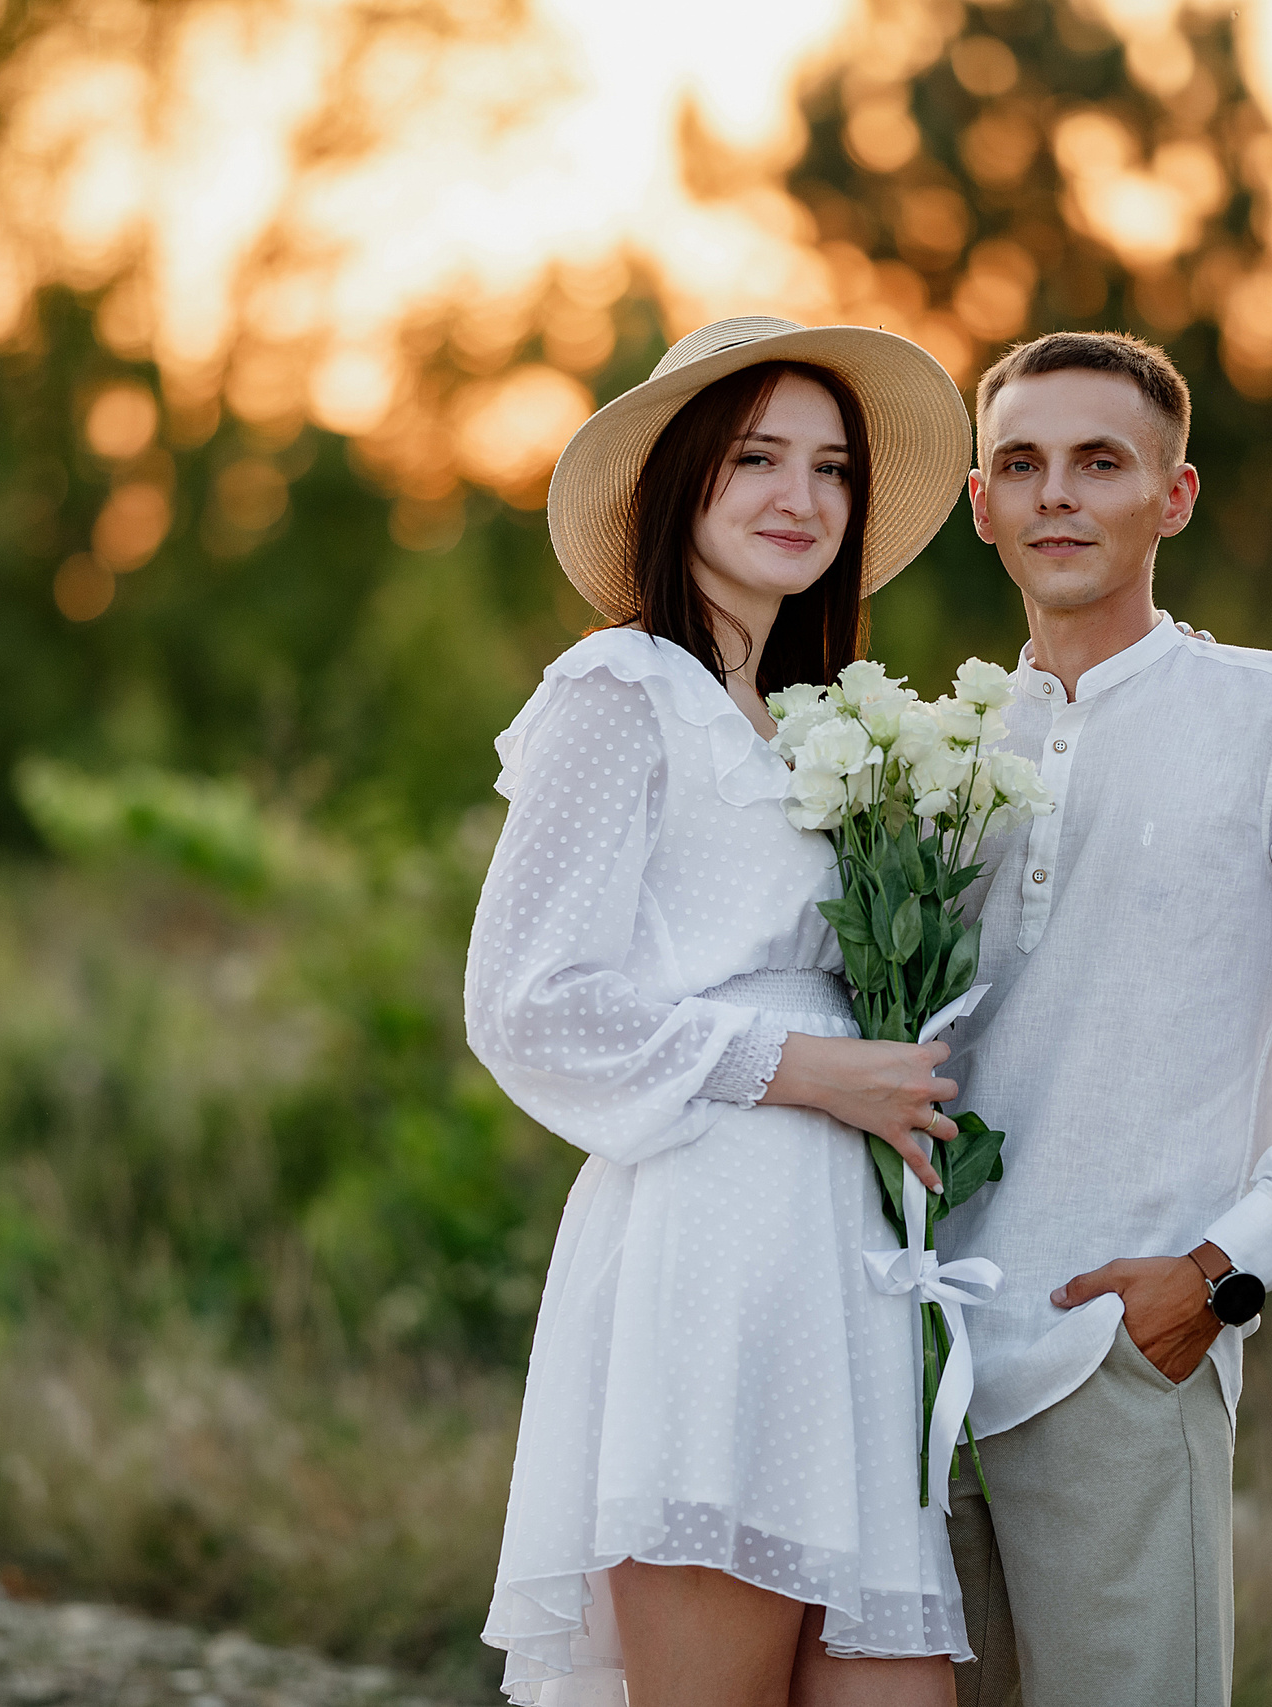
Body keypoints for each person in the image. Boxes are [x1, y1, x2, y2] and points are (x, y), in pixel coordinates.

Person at [468, 316, 978, 1706]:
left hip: (849, 1268)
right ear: (682, 481)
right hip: (712, 1252)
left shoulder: (819, 727)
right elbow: (528, 1002)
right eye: (757, 456)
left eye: (829, 468)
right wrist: (810, 1068)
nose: (799, 497)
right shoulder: (619, 689)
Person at [937, 331, 1272, 1706]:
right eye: (1024, 465)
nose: (1058, 497)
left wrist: (1219, 1278)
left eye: (1100, 463)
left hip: (1117, 1354)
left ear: (1174, 496)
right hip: (912, 1377)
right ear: (978, 503)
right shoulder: (935, 752)